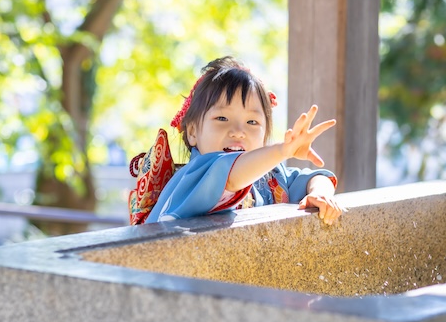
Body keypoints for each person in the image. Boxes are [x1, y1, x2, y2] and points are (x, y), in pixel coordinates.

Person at [145, 56, 343, 225]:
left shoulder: (269, 177)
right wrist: (282, 150)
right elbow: (231, 175)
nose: (239, 132)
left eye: (252, 121)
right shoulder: (196, 174)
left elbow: (315, 177)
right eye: (222, 118)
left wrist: (320, 193)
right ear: (192, 132)